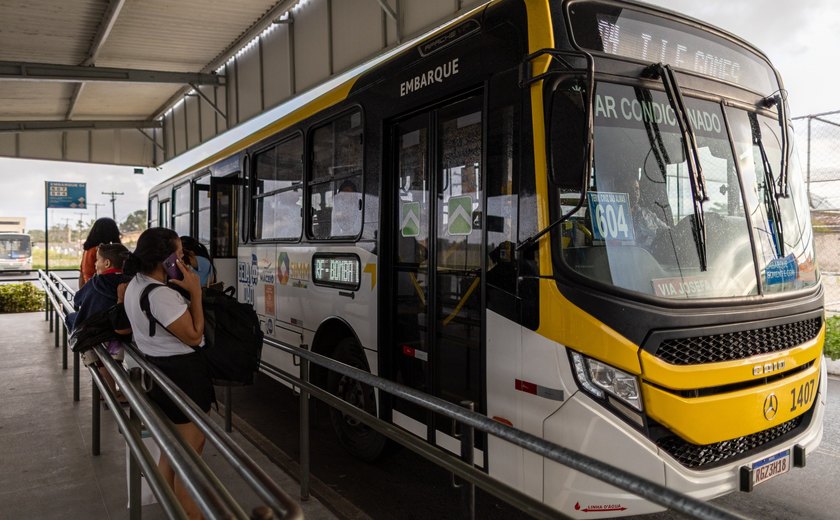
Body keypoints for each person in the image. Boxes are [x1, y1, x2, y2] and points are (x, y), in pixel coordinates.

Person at [123, 227, 211, 520]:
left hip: (160, 373)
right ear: (165, 259)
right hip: (183, 378)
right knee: (188, 463)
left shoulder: (135, 284)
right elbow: (195, 336)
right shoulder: (160, 295)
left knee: (172, 455)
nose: (183, 258)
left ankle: (174, 512)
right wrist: (195, 293)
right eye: (179, 253)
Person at [69, 243, 132, 405]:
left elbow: (77, 300)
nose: (95, 264)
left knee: (100, 362)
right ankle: (114, 392)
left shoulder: (95, 282)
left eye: (97, 260)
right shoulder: (128, 282)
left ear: (107, 263)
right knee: (114, 360)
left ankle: (108, 393)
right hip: (116, 334)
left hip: (95, 333)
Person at [624, 177, 668, 248]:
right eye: (631, 189)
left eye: (637, 189)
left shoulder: (646, 214)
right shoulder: (618, 215)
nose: (635, 192)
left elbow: (666, 230)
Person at [79, 218, 121, 289]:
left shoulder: (88, 250)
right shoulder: (101, 251)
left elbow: (81, 275)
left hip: (89, 290)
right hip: (99, 290)